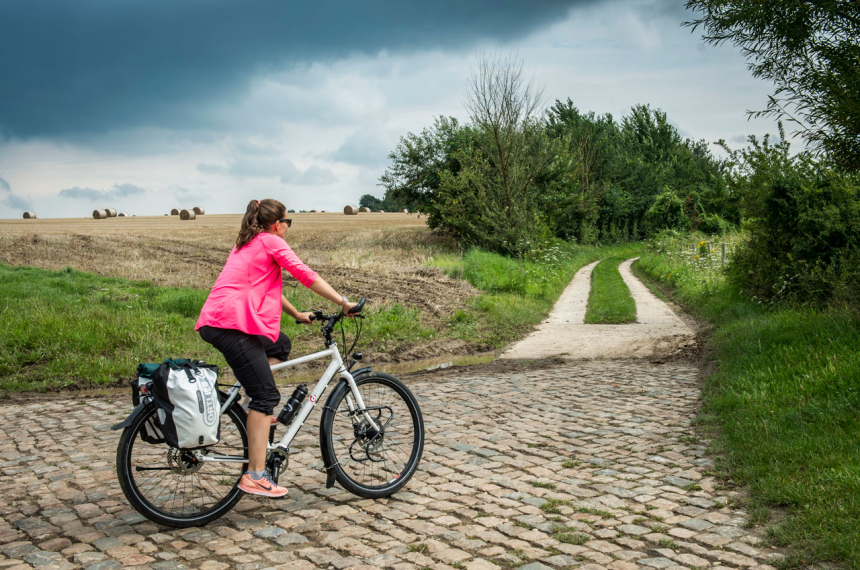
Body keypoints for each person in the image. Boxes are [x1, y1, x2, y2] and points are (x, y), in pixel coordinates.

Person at [196, 198, 357, 498]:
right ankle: (255, 475)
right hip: (230, 325)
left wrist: (296, 315)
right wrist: (343, 303)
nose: (288, 228)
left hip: (219, 321)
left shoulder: (248, 242)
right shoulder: (271, 241)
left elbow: (262, 286)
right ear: (276, 224)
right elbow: (305, 274)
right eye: (288, 222)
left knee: (280, 343)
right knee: (267, 395)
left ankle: (251, 408)